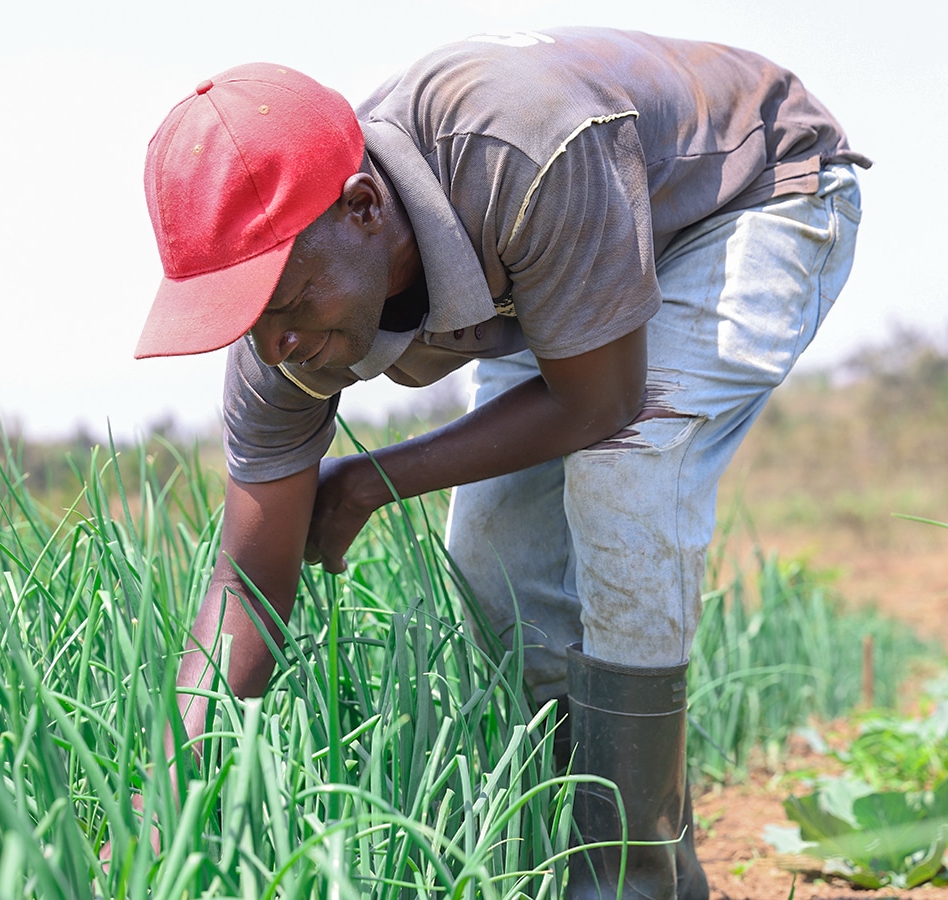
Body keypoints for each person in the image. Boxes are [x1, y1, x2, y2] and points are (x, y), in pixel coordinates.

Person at [134, 26, 868, 899]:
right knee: (491, 554)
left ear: (364, 207)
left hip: (738, 201)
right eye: (246, 318)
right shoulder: (279, 330)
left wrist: (370, 483)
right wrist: (159, 817)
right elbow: (247, 579)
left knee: (628, 471)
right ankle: (580, 834)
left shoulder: (518, 148)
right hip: (569, 271)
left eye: (287, 301)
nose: (276, 341)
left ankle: (634, 883)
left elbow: (600, 404)